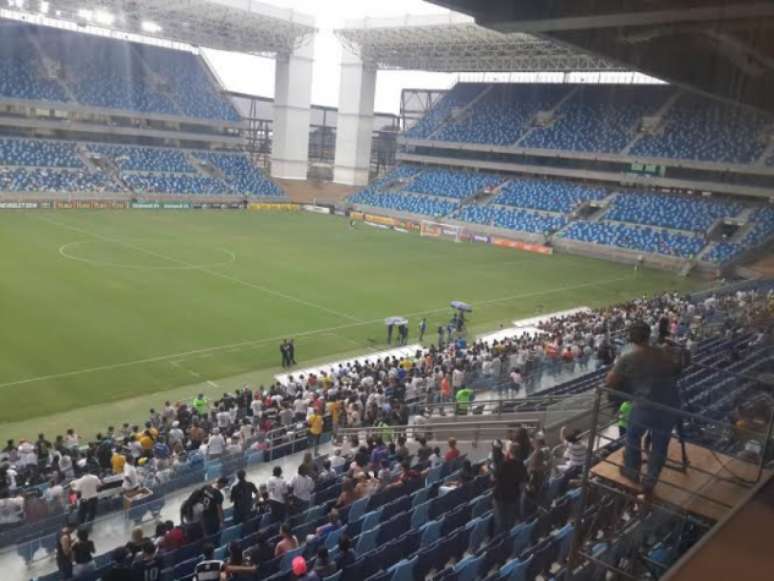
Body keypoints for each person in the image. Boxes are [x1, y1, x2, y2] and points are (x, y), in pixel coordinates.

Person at [606, 321, 689, 494]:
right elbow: (679, 368)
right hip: (670, 405)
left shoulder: (629, 358)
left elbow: (610, 383)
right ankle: (650, 480)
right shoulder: (666, 353)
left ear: (631, 338)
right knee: (660, 444)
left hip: (646, 406)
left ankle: (632, 471)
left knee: (633, 436)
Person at [492, 442, 527, 534]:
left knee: (499, 524)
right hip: (512, 498)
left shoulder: (503, 464)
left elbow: (493, 477)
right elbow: (522, 486)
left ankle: (499, 544)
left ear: (510, 451)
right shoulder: (522, 466)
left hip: (500, 498)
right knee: (508, 524)